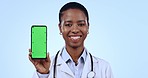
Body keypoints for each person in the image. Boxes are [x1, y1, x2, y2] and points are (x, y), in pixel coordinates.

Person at [29, 2, 113, 78]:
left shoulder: (103, 68)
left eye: (81, 24)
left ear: (88, 27)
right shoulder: (46, 67)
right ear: (60, 28)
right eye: (68, 25)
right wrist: (43, 75)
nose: (75, 30)